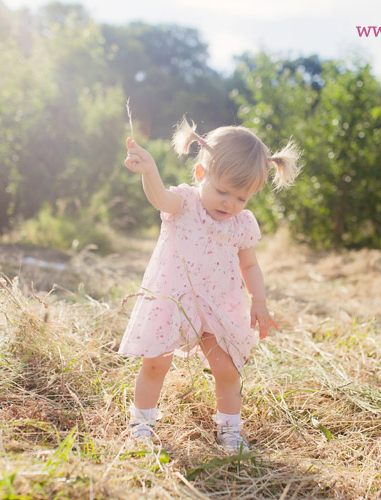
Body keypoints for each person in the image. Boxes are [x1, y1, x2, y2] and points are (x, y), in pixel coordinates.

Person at [120, 117, 301, 452]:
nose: (228, 204)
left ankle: (230, 430)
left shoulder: (242, 223)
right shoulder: (185, 204)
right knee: (156, 362)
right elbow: (160, 198)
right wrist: (150, 172)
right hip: (174, 299)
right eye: (221, 192)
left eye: (241, 198)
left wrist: (259, 301)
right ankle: (141, 423)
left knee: (227, 370)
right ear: (201, 175)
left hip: (218, 304)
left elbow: (250, 264)